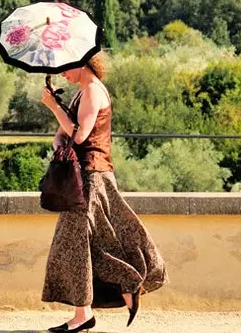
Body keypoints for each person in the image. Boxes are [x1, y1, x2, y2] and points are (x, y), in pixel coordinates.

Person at [40, 51, 166, 332]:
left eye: (65, 68)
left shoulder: (94, 91)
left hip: (91, 177)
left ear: (81, 62)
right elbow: (67, 134)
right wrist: (60, 133)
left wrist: (52, 107)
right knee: (82, 245)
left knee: (76, 244)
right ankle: (86, 311)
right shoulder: (82, 93)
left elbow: (81, 135)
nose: (63, 74)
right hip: (84, 176)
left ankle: (127, 284)